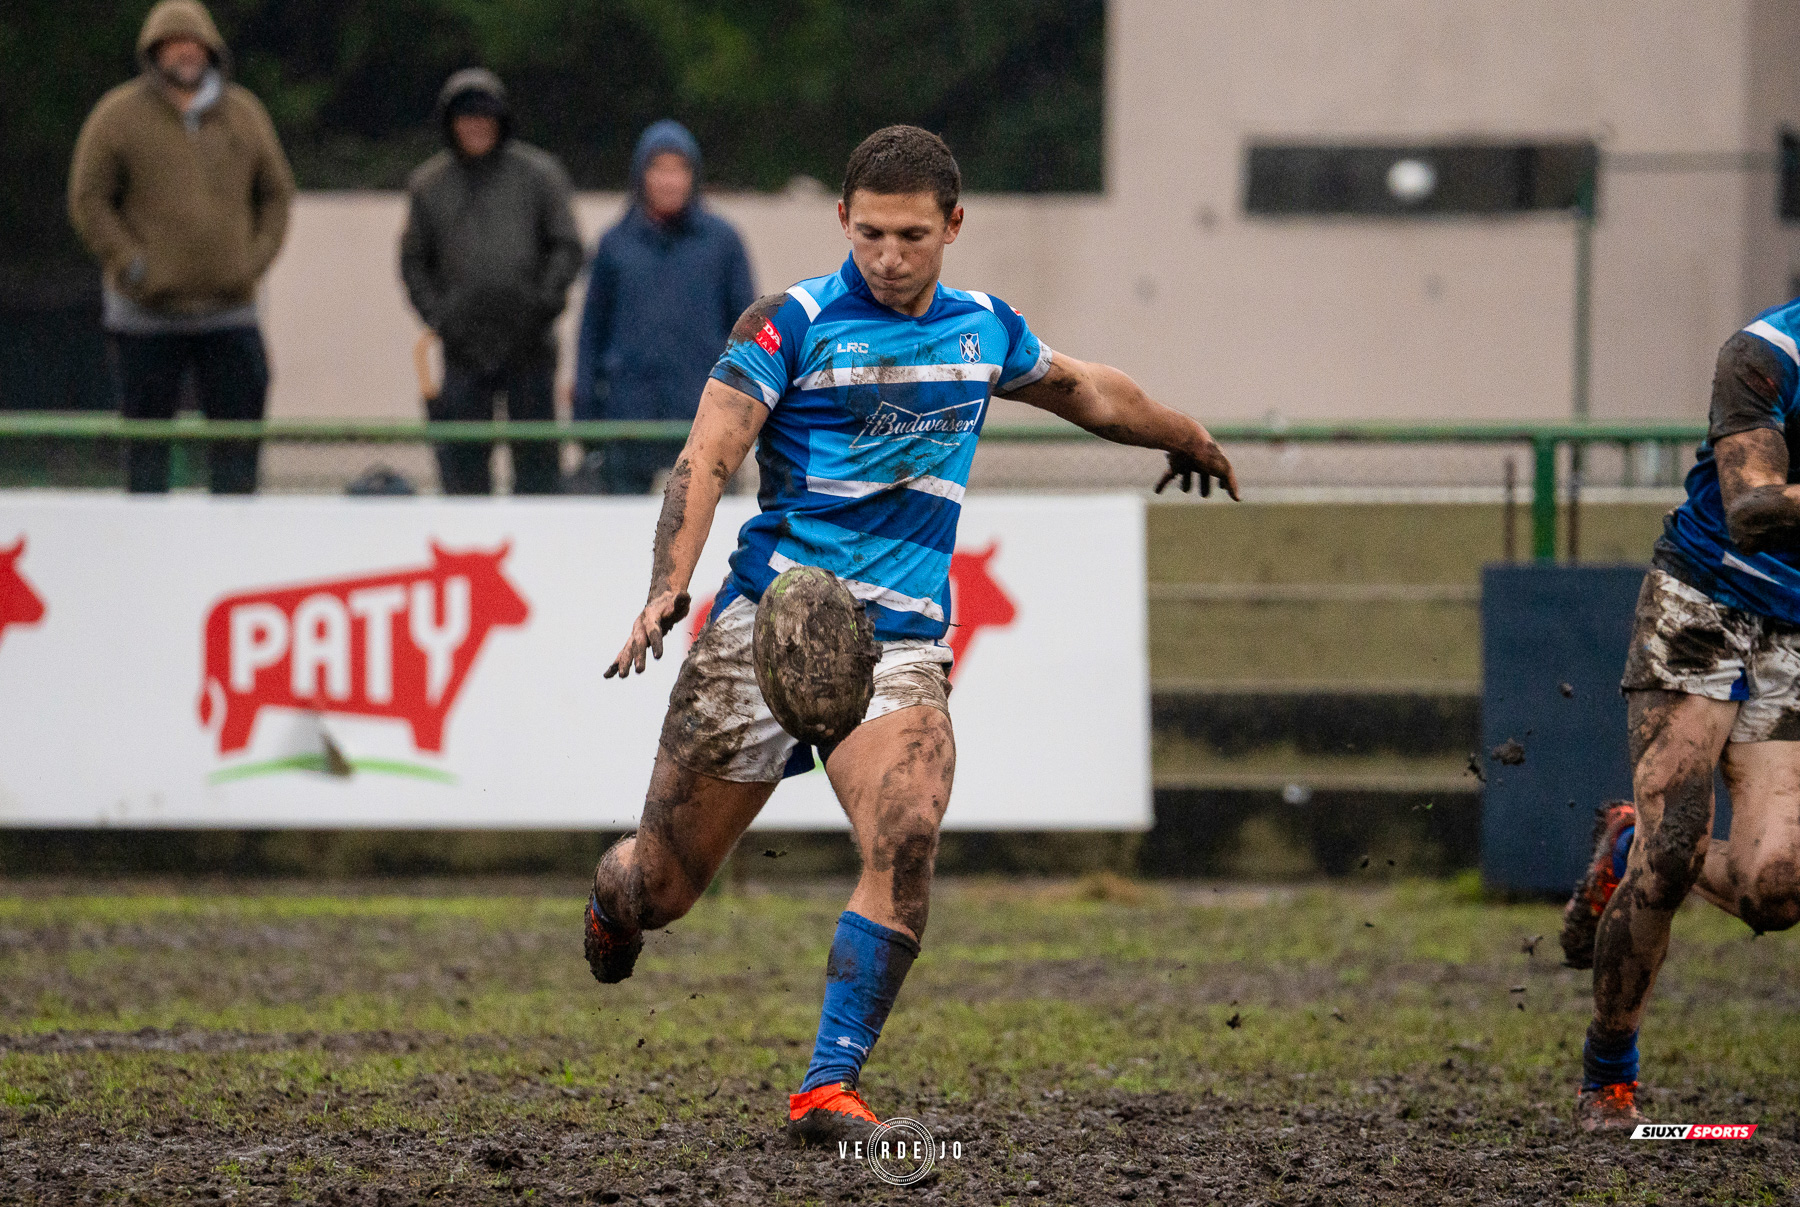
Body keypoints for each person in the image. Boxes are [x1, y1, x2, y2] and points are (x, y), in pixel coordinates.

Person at [582, 126, 1240, 1145]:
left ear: (954, 228)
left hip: (899, 643)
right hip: (767, 629)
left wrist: (1185, 432)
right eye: (872, 233)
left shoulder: (984, 330)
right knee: (661, 888)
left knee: (911, 827)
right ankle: (613, 901)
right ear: (843, 221)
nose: (890, 256)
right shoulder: (789, 323)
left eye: (913, 237)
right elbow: (707, 455)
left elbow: (1089, 391)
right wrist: (669, 587)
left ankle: (827, 1085)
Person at [1558, 299, 1800, 1131]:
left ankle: (1622, 835)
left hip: (1795, 635)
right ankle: (1608, 1078)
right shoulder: (1765, 354)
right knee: (1674, 850)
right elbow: (1757, 511)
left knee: (1778, 890)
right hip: (1702, 602)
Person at [67, 0, 294, 494]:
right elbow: (89, 199)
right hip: (145, 314)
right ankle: (148, 554)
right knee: (146, 453)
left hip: (230, 310)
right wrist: (132, 263)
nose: (184, 54)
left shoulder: (245, 114)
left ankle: (235, 552)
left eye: (194, 45)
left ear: (211, 51)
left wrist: (252, 261)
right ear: (153, 54)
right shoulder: (117, 116)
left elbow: (277, 192)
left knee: (238, 448)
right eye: (172, 46)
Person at [399, 69, 582, 495]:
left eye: (485, 115)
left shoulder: (539, 175)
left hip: (531, 346)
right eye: (466, 117)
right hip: (462, 349)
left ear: (502, 120)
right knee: (463, 468)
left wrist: (541, 305)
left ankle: (538, 550)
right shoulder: (429, 185)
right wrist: (442, 318)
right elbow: (412, 263)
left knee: (537, 465)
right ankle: (468, 548)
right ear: (449, 123)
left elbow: (567, 247)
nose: (476, 125)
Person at [572, 120, 755, 494]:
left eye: (679, 169)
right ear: (641, 175)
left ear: (694, 175)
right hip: (628, 422)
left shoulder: (723, 243)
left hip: (705, 420)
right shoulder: (614, 244)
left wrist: (746, 412)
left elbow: (751, 334)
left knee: (712, 539)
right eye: (659, 168)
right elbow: (591, 332)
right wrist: (585, 416)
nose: (669, 180)